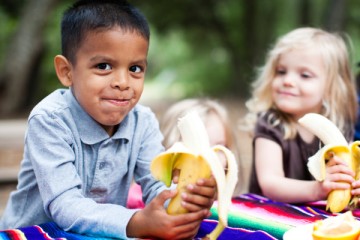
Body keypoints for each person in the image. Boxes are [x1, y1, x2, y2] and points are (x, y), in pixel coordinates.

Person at [0, 1, 216, 239]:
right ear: (66, 71)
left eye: (135, 68)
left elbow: (157, 187)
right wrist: (136, 221)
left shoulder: (142, 122)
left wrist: (185, 201)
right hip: (35, 232)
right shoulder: (50, 120)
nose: (123, 82)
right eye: (103, 66)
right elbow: (66, 206)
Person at [243, 27, 358, 203]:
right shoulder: (270, 122)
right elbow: (270, 183)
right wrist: (316, 190)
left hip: (315, 220)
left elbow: (347, 173)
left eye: (304, 75)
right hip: (269, 216)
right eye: (281, 71)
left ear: (331, 87)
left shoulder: (340, 126)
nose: (287, 81)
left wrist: (352, 183)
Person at [127, 98, 243, 208]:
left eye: (219, 147)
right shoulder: (142, 200)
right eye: (198, 148)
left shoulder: (233, 205)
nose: (210, 158)